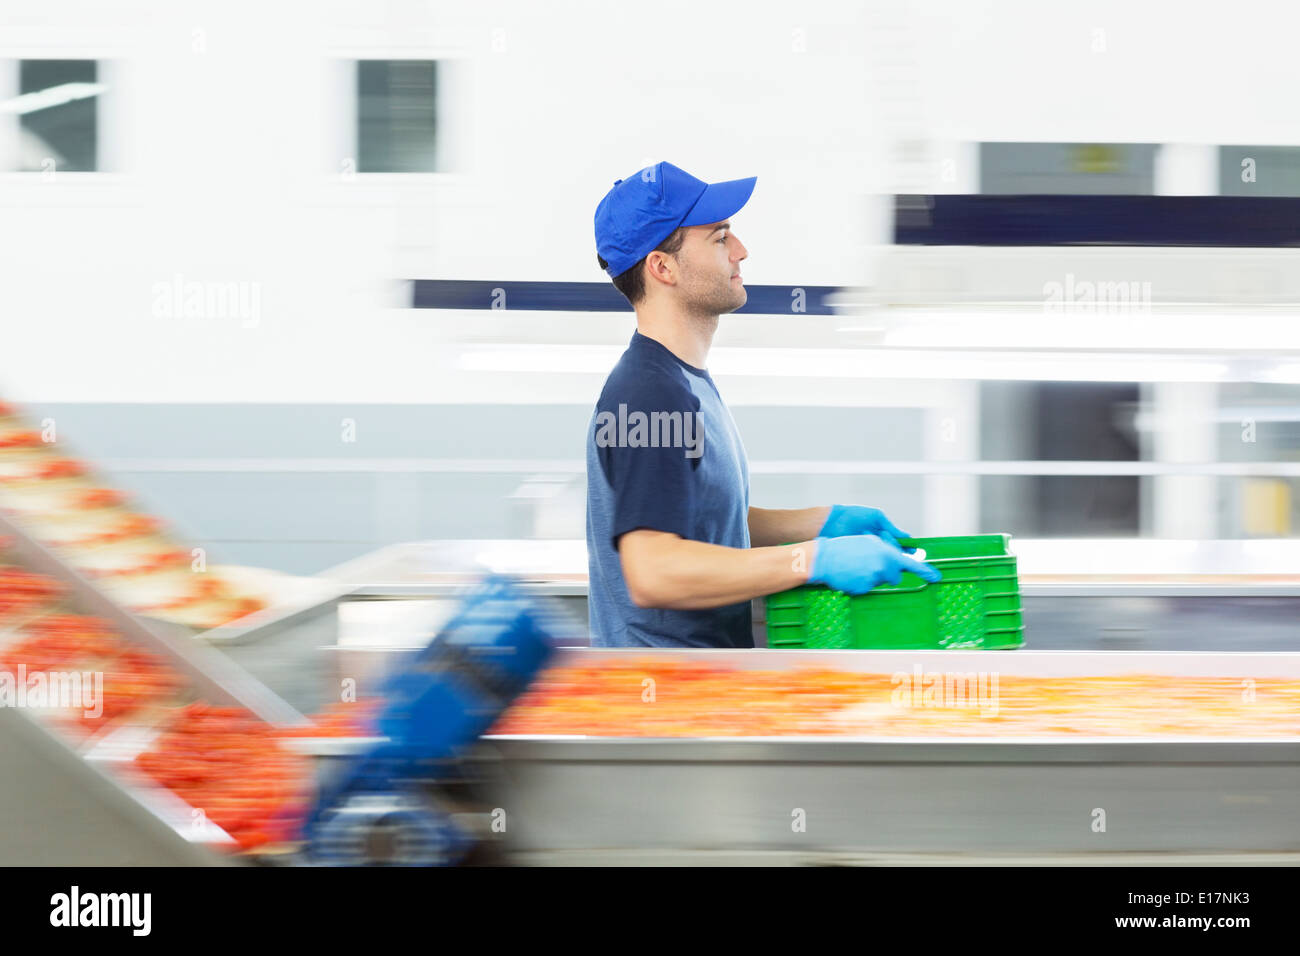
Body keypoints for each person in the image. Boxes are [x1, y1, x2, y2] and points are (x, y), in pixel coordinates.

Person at [586, 160, 939, 648]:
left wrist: (820, 523)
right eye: (719, 237)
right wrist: (810, 561)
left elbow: (698, 520)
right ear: (662, 267)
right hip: (662, 707)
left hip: (696, 695)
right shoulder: (651, 396)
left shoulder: (680, 382)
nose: (741, 251)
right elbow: (654, 571)